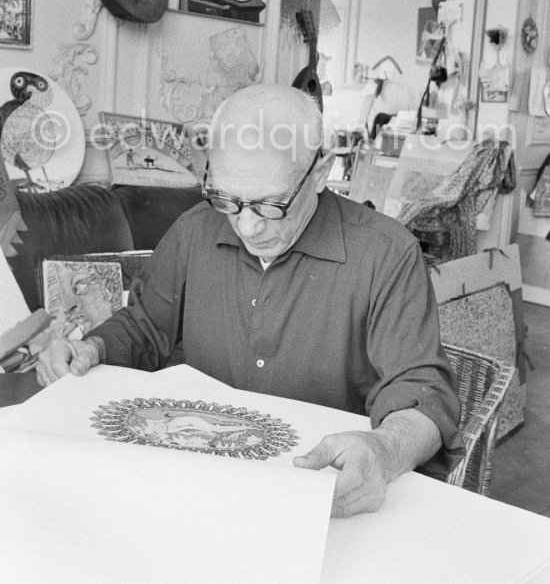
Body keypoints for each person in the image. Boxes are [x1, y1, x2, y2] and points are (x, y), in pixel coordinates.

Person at [37, 83, 463, 517]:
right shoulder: (196, 230)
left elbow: (424, 392)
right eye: (227, 199)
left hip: (318, 490)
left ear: (320, 172)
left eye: (270, 205)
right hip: (197, 482)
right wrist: (91, 347)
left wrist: (385, 450)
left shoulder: (387, 254)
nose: (246, 227)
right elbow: (144, 326)